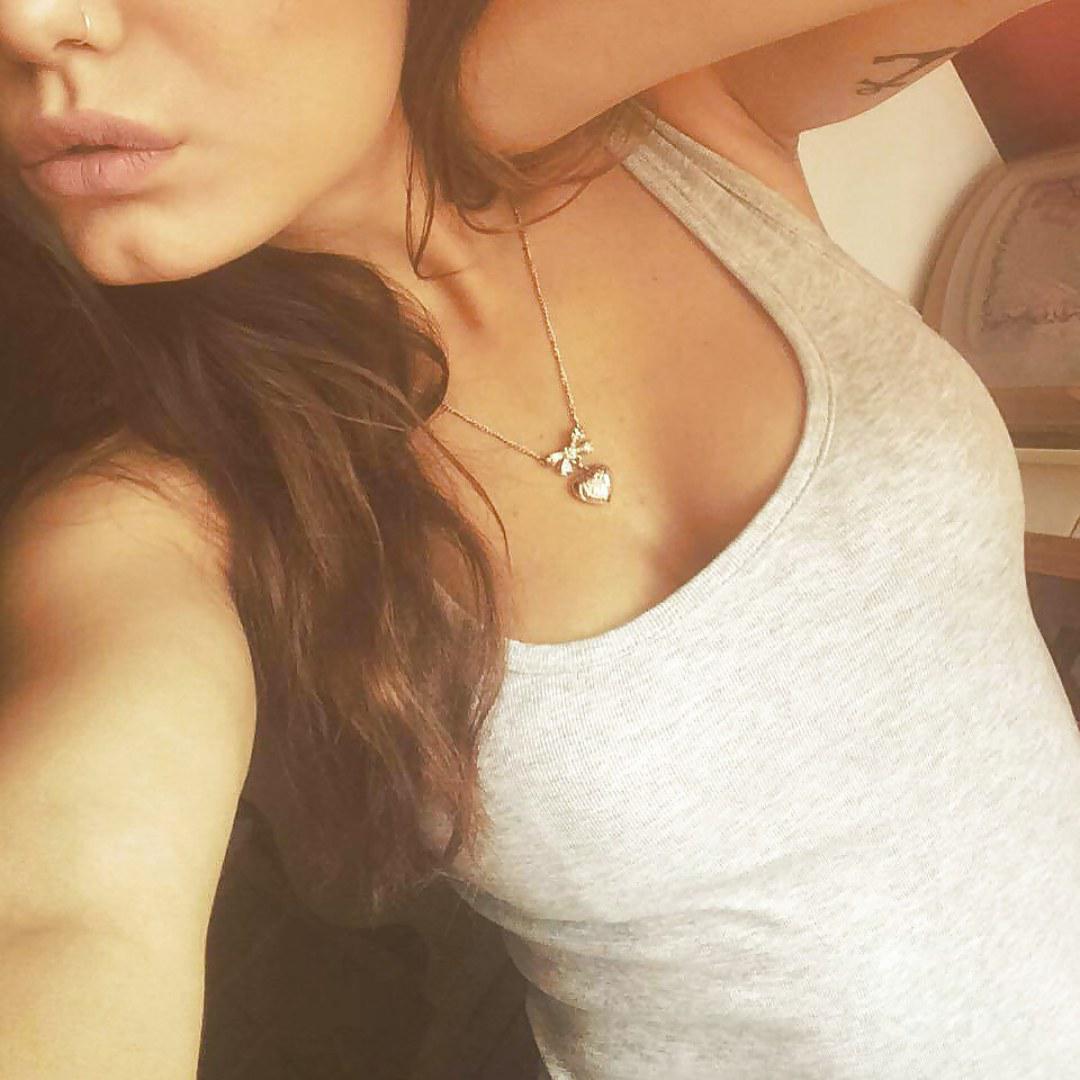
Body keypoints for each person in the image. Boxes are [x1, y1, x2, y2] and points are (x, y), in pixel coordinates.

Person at [0, 2, 1076, 1078]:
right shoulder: (154, 511)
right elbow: (66, 913)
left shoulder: (693, 121)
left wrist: (504, 71)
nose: (28, 23)